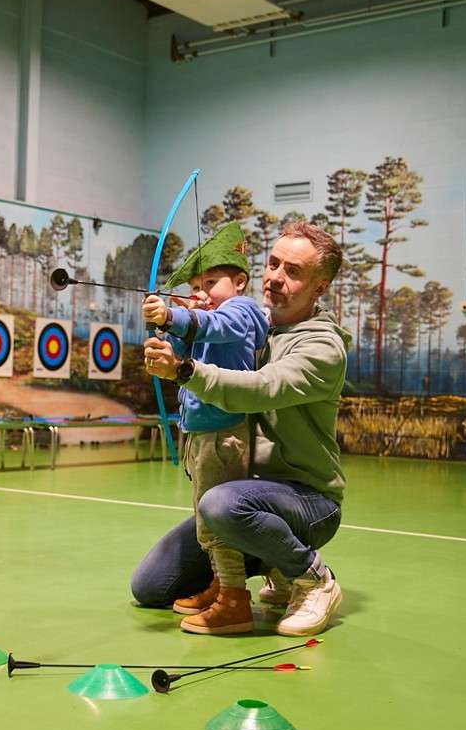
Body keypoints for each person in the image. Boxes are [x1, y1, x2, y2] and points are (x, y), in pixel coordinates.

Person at [136, 220, 350, 636]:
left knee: (219, 506)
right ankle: (266, 568)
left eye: (293, 271)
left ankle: (312, 578)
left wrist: (183, 369)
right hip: (244, 490)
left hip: (305, 502)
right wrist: (177, 331)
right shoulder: (252, 324)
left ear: (319, 287)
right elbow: (218, 330)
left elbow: (259, 389)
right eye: (273, 263)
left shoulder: (323, 347)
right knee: (151, 586)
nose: (275, 278)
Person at [140, 222, 269, 635]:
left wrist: (177, 314)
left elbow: (215, 326)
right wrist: (165, 341)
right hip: (201, 435)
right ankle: (221, 585)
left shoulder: (242, 311)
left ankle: (234, 600)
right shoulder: (203, 318)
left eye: (212, 282)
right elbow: (183, 351)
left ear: (240, 281)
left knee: (215, 524)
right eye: (197, 285)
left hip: (224, 435)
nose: (202, 292)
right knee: (205, 520)